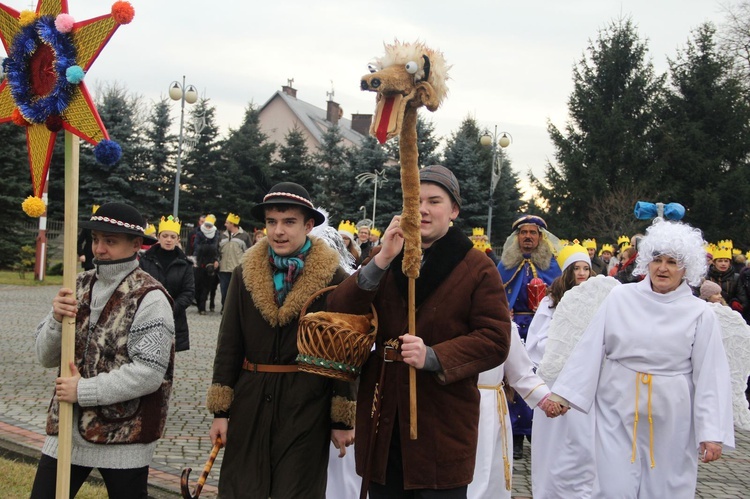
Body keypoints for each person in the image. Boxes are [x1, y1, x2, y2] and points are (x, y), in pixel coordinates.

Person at [328, 165, 511, 498]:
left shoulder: (476, 267)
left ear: (453, 210)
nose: (422, 209)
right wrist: (382, 258)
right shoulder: (386, 255)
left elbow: (495, 340)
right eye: (414, 200)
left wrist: (435, 356)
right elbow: (341, 310)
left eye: (434, 201)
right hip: (384, 415)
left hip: (442, 421)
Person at [551, 219, 735, 497]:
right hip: (617, 408)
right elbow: (590, 347)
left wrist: (712, 431)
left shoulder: (700, 313)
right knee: (614, 486)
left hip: (673, 419)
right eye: (657, 259)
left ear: (686, 268)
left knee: (667, 486)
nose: (663, 268)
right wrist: (564, 394)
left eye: (672, 262)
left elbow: (711, 375)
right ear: (646, 262)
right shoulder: (620, 298)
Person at [206, 182, 355, 498]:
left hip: (305, 404)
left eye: (289, 222)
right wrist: (221, 412)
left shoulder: (334, 281)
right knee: (243, 489)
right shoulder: (246, 272)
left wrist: (341, 419)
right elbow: (229, 343)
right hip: (250, 401)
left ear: (308, 225)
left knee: (296, 491)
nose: (278, 231)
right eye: (272, 222)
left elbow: (342, 356)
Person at [31, 202, 175, 499]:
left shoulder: (150, 297)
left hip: (125, 437)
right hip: (67, 431)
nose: (99, 249)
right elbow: (44, 357)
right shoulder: (77, 285)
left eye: (110, 241)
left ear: (136, 245)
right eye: (96, 239)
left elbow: (148, 373)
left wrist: (83, 390)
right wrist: (57, 320)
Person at [525, 243, 596, 498]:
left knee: (584, 443)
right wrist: (567, 345)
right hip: (556, 381)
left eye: (585, 268)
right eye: (576, 268)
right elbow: (536, 343)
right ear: (567, 272)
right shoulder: (551, 301)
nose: (581, 273)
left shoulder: (599, 300)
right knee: (554, 444)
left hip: (587, 382)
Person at [468, 322, 563, 499]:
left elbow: (521, 372)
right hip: (451, 405)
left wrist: (545, 399)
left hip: (490, 409)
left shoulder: (501, 323)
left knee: (490, 474)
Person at [496, 215, 562, 459]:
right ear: (517, 238)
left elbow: (561, 294)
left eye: (532, 233)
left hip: (541, 328)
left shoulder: (552, 266)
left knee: (539, 379)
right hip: (513, 327)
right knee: (513, 382)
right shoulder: (505, 265)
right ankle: (514, 436)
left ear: (540, 237)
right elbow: (494, 292)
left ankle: (537, 434)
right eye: (523, 233)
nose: (527, 237)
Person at [140, 215, 195, 352]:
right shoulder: (145, 260)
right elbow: (139, 286)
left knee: (168, 359)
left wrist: (171, 308)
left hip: (174, 318)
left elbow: (188, 292)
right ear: (159, 237)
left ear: (177, 239)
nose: (168, 240)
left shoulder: (185, 264)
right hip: (148, 316)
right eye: (165, 236)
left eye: (172, 236)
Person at [218, 212, 252, 312]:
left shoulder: (244, 236)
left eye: (227, 223)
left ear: (233, 224)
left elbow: (249, 251)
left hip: (237, 269)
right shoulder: (222, 236)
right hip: (224, 268)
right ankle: (224, 308)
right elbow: (218, 250)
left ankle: (234, 309)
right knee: (224, 291)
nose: (225, 224)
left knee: (235, 291)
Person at [706, 243, 747, 314]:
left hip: (729, 313)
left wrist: (735, 301)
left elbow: (742, 297)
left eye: (726, 261)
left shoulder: (736, 278)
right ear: (714, 262)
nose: (723, 264)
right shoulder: (706, 277)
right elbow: (699, 295)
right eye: (720, 261)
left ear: (729, 263)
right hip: (709, 312)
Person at [194, 214, 220, 315]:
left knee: (209, 286)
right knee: (197, 285)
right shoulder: (199, 233)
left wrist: (216, 259)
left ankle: (204, 305)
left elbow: (216, 249)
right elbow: (196, 247)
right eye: (207, 226)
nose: (208, 228)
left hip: (211, 262)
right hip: (200, 262)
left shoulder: (216, 234)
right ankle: (199, 303)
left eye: (210, 226)